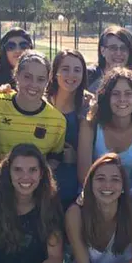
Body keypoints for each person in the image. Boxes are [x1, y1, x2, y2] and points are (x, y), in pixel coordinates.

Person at [77, 68, 132, 187]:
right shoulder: (90, 125)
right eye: (115, 94)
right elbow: (83, 176)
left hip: (130, 197)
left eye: (128, 94)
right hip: (94, 193)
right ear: (106, 97)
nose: (122, 99)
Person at [0, 51, 66, 167]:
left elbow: (54, 158)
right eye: (27, 77)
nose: (33, 84)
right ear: (17, 75)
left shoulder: (58, 121)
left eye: (40, 79)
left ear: (47, 81)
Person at [46, 49, 92, 209]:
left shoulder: (87, 107)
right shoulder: (41, 102)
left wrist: (76, 157)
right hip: (41, 185)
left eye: (77, 70)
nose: (71, 75)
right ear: (55, 72)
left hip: (72, 187)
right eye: (65, 69)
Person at [87, 26, 132, 93]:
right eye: (113, 48)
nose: (118, 53)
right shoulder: (88, 76)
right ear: (102, 51)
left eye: (123, 48)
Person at [0, 27, 34, 92]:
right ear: (3, 52)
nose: (17, 50)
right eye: (11, 46)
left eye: (23, 46)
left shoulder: (40, 79)